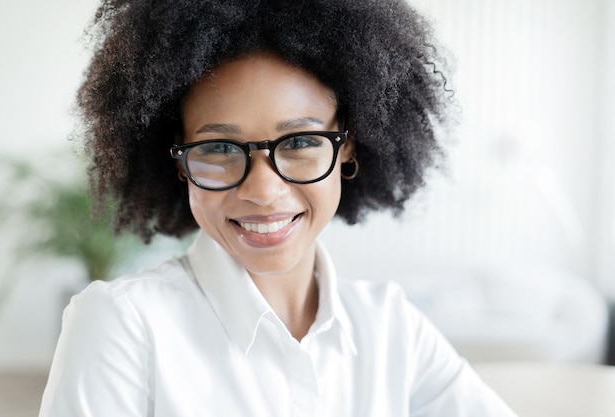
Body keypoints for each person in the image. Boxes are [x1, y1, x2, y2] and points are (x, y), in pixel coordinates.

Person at [40, 0, 518, 416]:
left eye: (302, 141)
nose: (264, 192)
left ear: (348, 144)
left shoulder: (391, 328)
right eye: (220, 149)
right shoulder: (121, 327)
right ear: (180, 162)